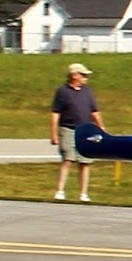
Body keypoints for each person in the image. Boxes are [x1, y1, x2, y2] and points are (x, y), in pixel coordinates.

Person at [50, 62, 102, 202]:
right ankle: (60, 191)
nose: (85, 78)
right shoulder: (63, 91)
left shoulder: (87, 91)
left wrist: (101, 127)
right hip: (68, 129)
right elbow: (55, 113)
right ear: (74, 75)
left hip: (86, 131)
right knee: (68, 159)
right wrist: (54, 134)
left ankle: (83, 194)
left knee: (85, 162)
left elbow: (94, 111)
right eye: (83, 75)